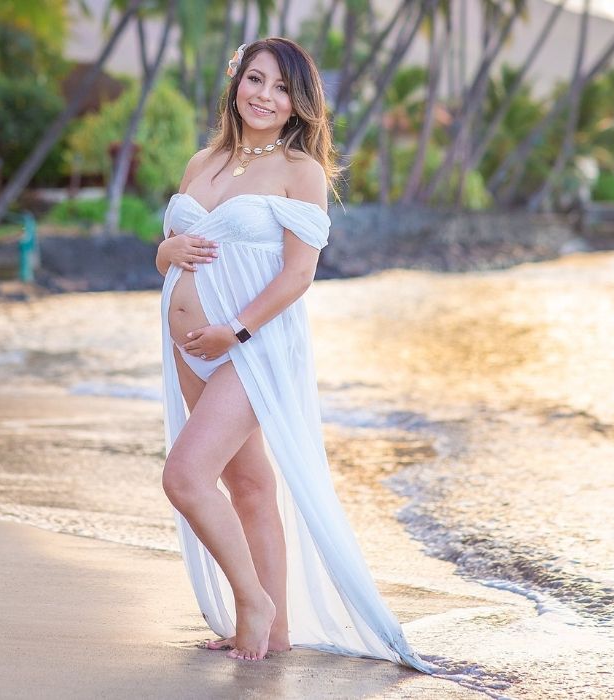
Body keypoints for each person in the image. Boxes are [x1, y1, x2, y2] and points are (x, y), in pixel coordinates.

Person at [154, 37, 438, 673]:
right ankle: (276, 630)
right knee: (249, 486)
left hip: (251, 347)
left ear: (297, 105)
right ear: (237, 83)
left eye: (281, 88)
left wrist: (235, 331)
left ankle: (250, 602)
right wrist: (162, 257)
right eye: (255, 79)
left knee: (185, 476)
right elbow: (177, 245)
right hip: (189, 350)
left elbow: (296, 275)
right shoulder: (204, 161)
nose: (264, 95)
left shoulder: (299, 171)